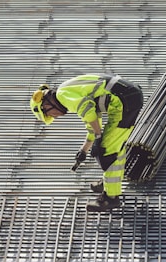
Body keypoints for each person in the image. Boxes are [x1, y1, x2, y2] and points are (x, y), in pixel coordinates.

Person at [30, 74, 143, 212]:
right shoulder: (67, 92)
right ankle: (110, 184)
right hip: (128, 97)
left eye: (50, 114)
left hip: (123, 100)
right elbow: (93, 120)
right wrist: (84, 150)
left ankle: (110, 199)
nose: (55, 116)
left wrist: (98, 137)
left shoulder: (62, 96)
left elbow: (88, 112)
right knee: (114, 146)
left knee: (107, 151)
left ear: (46, 104)